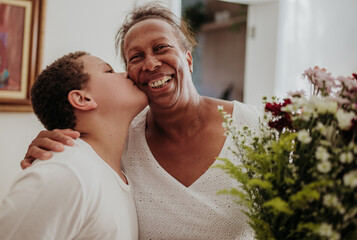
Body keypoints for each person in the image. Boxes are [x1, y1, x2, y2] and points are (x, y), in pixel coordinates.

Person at [21, 3, 262, 239]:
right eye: (136, 57)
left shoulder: (255, 125)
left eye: (161, 48)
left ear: (188, 60)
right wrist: (54, 144)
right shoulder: (121, 139)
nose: (151, 64)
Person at [0, 51, 148, 239]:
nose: (127, 73)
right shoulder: (65, 173)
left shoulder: (118, 174)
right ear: (82, 99)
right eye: (109, 71)